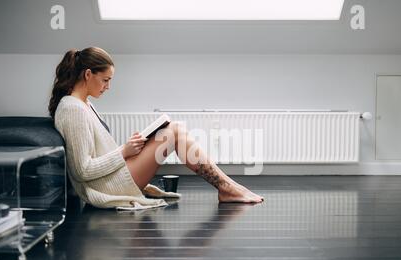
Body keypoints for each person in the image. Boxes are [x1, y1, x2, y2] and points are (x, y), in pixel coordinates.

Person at [49, 47, 263, 209]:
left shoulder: (84, 104)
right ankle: (227, 187)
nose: (108, 86)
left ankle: (227, 186)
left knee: (171, 128)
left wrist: (134, 146)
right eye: (105, 80)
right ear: (88, 75)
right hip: (106, 187)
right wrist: (124, 151)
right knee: (175, 131)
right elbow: (82, 170)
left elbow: (100, 151)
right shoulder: (72, 109)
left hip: (113, 175)